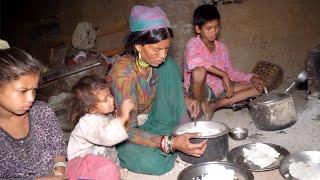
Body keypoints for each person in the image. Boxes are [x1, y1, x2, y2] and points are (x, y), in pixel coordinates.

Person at [107, 5, 206, 175]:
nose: (163, 55)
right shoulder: (124, 75)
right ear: (138, 45)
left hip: (154, 118)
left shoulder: (159, 62)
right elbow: (126, 130)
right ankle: (174, 142)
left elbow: (171, 87)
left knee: (168, 67)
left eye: (166, 48)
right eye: (157, 49)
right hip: (128, 129)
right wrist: (169, 144)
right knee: (150, 162)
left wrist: (185, 99)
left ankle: (178, 134)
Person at [184, 4, 264, 120]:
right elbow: (193, 62)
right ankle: (198, 109)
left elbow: (231, 72)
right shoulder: (192, 44)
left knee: (258, 87)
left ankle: (213, 106)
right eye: (209, 28)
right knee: (199, 71)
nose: (214, 32)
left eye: (216, 27)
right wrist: (223, 74)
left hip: (220, 88)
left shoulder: (221, 47)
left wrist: (251, 77)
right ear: (198, 29)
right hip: (201, 91)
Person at [0, 47, 67, 179]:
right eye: (23, 91)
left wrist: (59, 173)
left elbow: (58, 147)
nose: (31, 98)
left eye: (34, 90)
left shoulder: (42, 112)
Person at [65, 75, 134, 180]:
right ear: (91, 109)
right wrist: (123, 117)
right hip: (81, 167)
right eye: (105, 99)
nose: (111, 99)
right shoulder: (87, 123)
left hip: (97, 163)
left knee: (111, 165)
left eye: (110, 94)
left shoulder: (103, 115)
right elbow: (107, 136)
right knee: (108, 169)